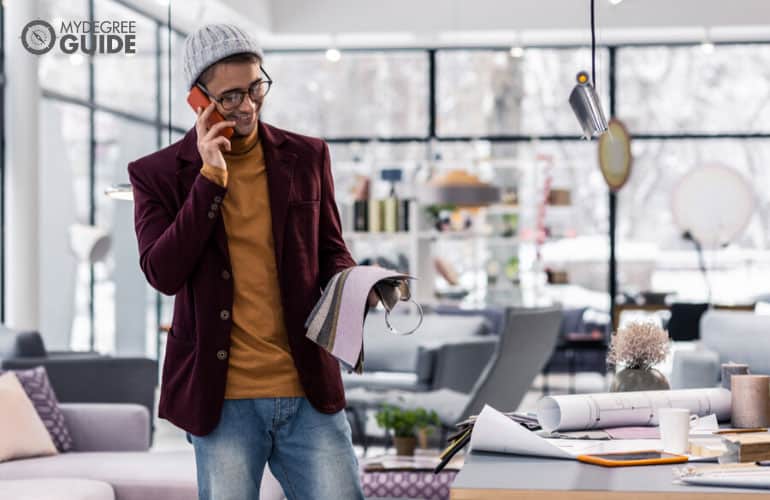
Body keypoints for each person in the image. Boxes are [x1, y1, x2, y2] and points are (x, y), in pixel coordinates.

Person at [127, 23, 370, 500]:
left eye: (256, 87)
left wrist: (359, 284)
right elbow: (163, 272)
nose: (248, 106)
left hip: (308, 388)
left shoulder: (307, 155)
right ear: (198, 99)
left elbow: (330, 249)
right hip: (221, 399)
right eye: (230, 96)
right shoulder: (155, 175)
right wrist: (209, 179)